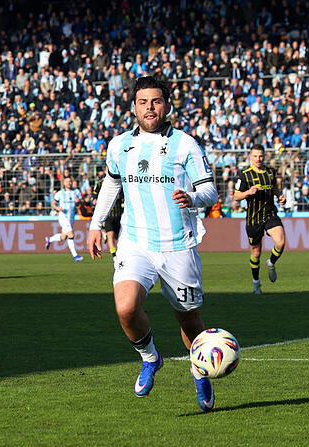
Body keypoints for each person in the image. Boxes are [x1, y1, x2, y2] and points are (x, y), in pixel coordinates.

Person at [86, 76, 219, 412]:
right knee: (125, 307)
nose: (150, 108)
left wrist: (192, 197)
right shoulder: (118, 145)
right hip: (136, 242)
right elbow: (111, 185)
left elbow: (210, 191)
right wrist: (95, 225)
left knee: (189, 320)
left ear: (167, 105)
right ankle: (150, 357)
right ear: (134, 107)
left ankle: (199, 369)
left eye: (156, 101)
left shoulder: (185, 144)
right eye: (143, 102)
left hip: (177, 245)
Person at [233, 144, 286, 295]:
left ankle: (271, 263)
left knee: (280, 242)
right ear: (250, 157)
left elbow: (274, 188)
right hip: (253, 218)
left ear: (264, 156)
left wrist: (280, 196)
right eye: (255, 156)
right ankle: (256, 282)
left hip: (270, 214)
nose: (258, 159)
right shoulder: (244, 175)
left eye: (261, 156)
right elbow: (236, 196)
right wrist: (248, 192)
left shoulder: (270, 172)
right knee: (256, 253)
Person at [45, 176, 84, 261]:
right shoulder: (60, 193)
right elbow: (53, 204)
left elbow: (82, 202)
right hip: (63, 217)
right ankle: (75, 256)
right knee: (71, 234)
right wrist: (57, 208)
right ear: (64, 183)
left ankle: (50, 239)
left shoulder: (76, 192)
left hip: (71, 217)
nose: (69, 183)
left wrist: (79, 201)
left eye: (70, 181)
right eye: (67, 181)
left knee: (63, 237)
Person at [93, 175, 124, 257]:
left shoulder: (121, 182)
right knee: (111, 234)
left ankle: (117, 250)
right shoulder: (101, 182)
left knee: (117, 236)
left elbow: (124, 194)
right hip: (108, 215)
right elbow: (95, 193)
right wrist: (95, 199)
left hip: (118, 215)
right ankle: (114, 255)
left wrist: (120, 196)